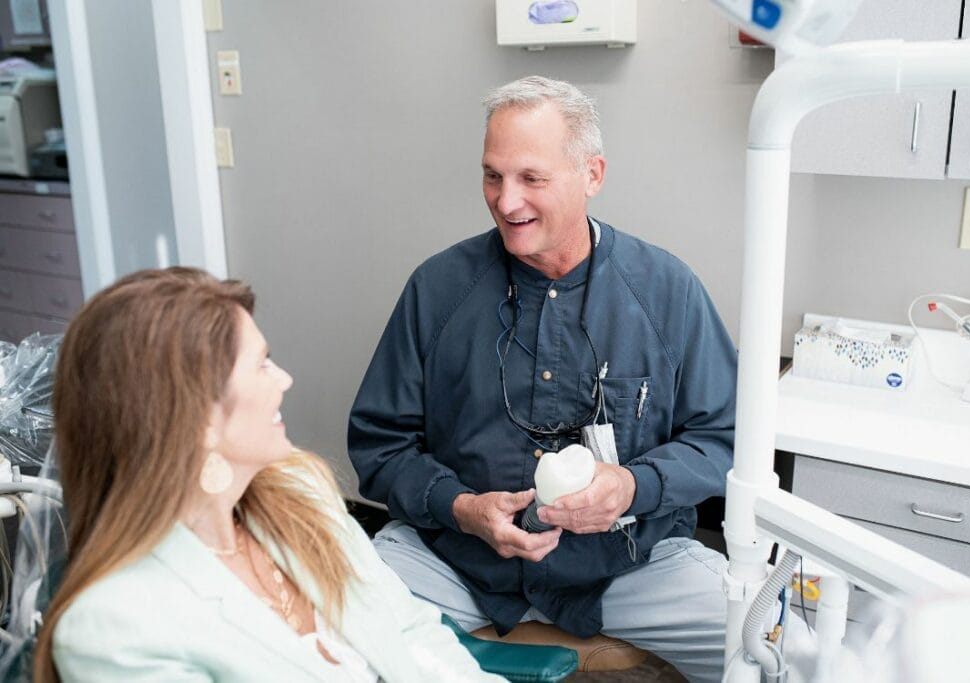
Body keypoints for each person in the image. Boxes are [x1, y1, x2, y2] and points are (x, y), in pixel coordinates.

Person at [348, 75, 738, 682]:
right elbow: (380, 444)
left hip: (629, 565)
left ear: (592, 175)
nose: (507, 202)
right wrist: (460, 507)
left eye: (532, 178)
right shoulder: (438, 289)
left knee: (771, 649)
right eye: (492, 176)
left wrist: (634, 487)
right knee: (332, 639)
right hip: (456, 558)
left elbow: (723, 437)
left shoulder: (667, 290)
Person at [34, 267, 502, 682]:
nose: (284, 380)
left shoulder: (301, 495)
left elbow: (410, 630)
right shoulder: (114, 628)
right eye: (261, 365)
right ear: (197, 417)